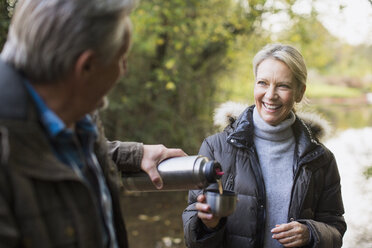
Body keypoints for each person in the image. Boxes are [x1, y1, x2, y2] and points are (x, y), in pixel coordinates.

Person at [0, 0, 186, 247]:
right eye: (121, 59)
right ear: (86, 66)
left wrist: (135, 154)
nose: (123, 70)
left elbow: (56, 149)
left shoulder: (76, 114)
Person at [182, 44, 346, 248]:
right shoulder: (215, 148)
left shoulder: (320, 158)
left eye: (283, 86)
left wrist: (311, 233)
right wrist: (208, 224)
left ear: (299, 92)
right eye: (263, 83)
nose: (270, 95)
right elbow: (192, 237)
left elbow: (335, 229)